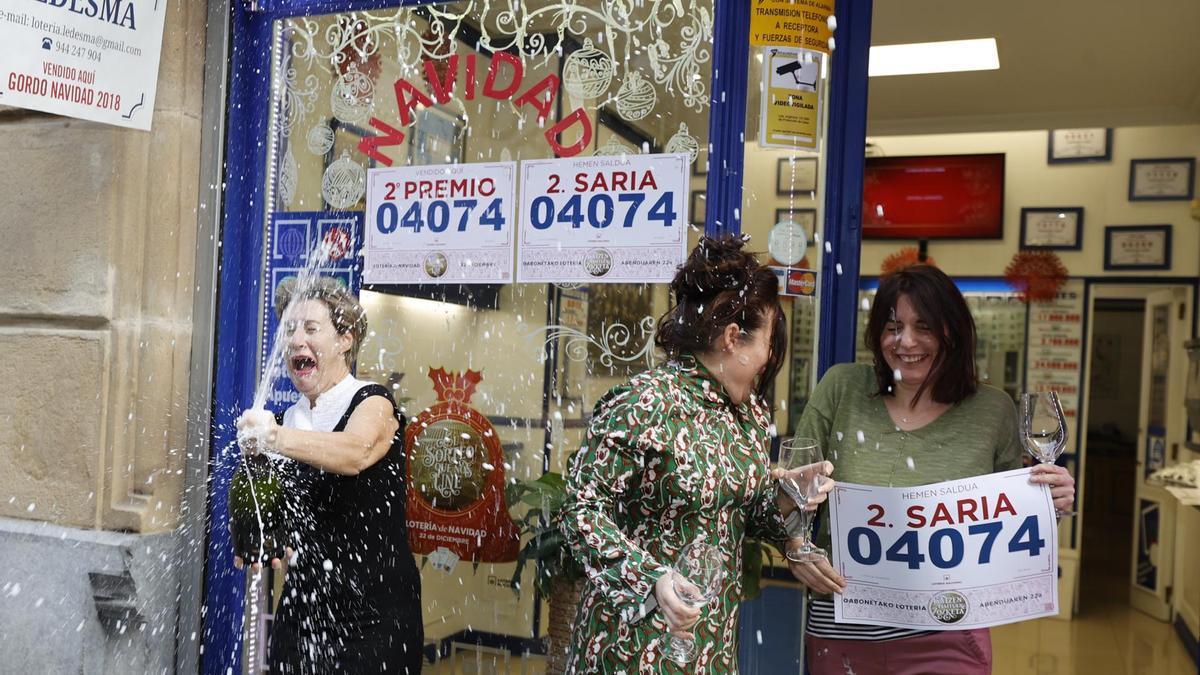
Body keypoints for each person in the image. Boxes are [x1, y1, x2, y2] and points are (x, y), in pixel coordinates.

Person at [559, 235, 834, 673]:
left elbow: (739, 517)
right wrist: (650, 578)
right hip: (631, 644)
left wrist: (785, 498)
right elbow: (579, 511)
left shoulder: (750, 415)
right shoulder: (644, 403)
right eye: (768, 340)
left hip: (712, 644)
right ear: (732, 338)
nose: (769, 356)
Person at [789, 264, 1076, 675]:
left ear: (952, 332)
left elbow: (1007, 530)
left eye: (924, 327)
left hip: (948, 633)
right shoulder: (841, 388)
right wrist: (796, 546)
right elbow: (791, 499)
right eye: (893, 326)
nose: (906, 342)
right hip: (841, 632)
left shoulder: (992, 410)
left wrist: (1050, 508)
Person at [234, 277, 423, 674]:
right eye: (288, 329)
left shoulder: (373, 402)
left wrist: (272, 437)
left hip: (374, 620)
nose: (296, 340)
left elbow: (354, 453)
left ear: (345, 340)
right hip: (302, 616)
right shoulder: (288, 422)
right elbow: (277, 514)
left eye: (311, 329)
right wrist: (262, 536)